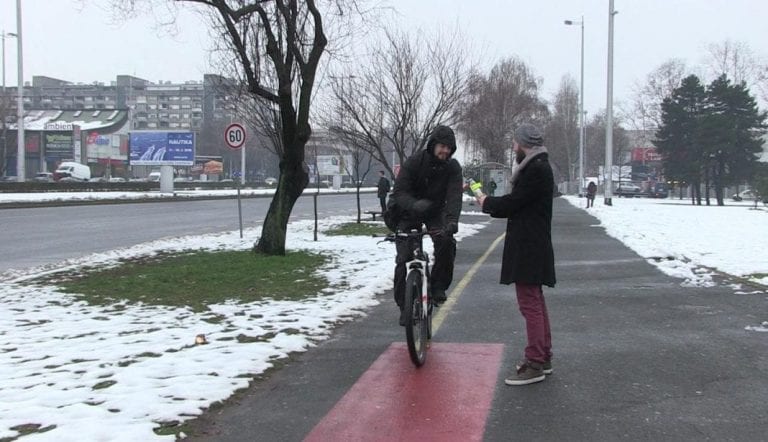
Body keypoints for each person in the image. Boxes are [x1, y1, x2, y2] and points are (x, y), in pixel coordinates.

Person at [476, 123, 556, 386]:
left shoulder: (535, 169)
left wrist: (487, 203)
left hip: (529, 246)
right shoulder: (538, 166)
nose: (513, 147)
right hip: (532, 244)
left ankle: (535, 362)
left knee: (530, 303)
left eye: (515, 143)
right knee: (535, 301)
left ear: (524, 144)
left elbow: (515, 203)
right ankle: (543, 356)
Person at [391, 125, 463, 326]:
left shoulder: (452, 168)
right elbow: (399, 192)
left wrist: (451, 221)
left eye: (449, 148)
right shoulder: (414, 162)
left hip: (435, 212)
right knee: (403, 259)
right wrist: (414, 204)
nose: (445, 151)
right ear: (433, 145)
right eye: (442, 146)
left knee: (446, 242)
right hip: (409, 211)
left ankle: (438, 286)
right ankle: (404, 306)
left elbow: (454, 197)